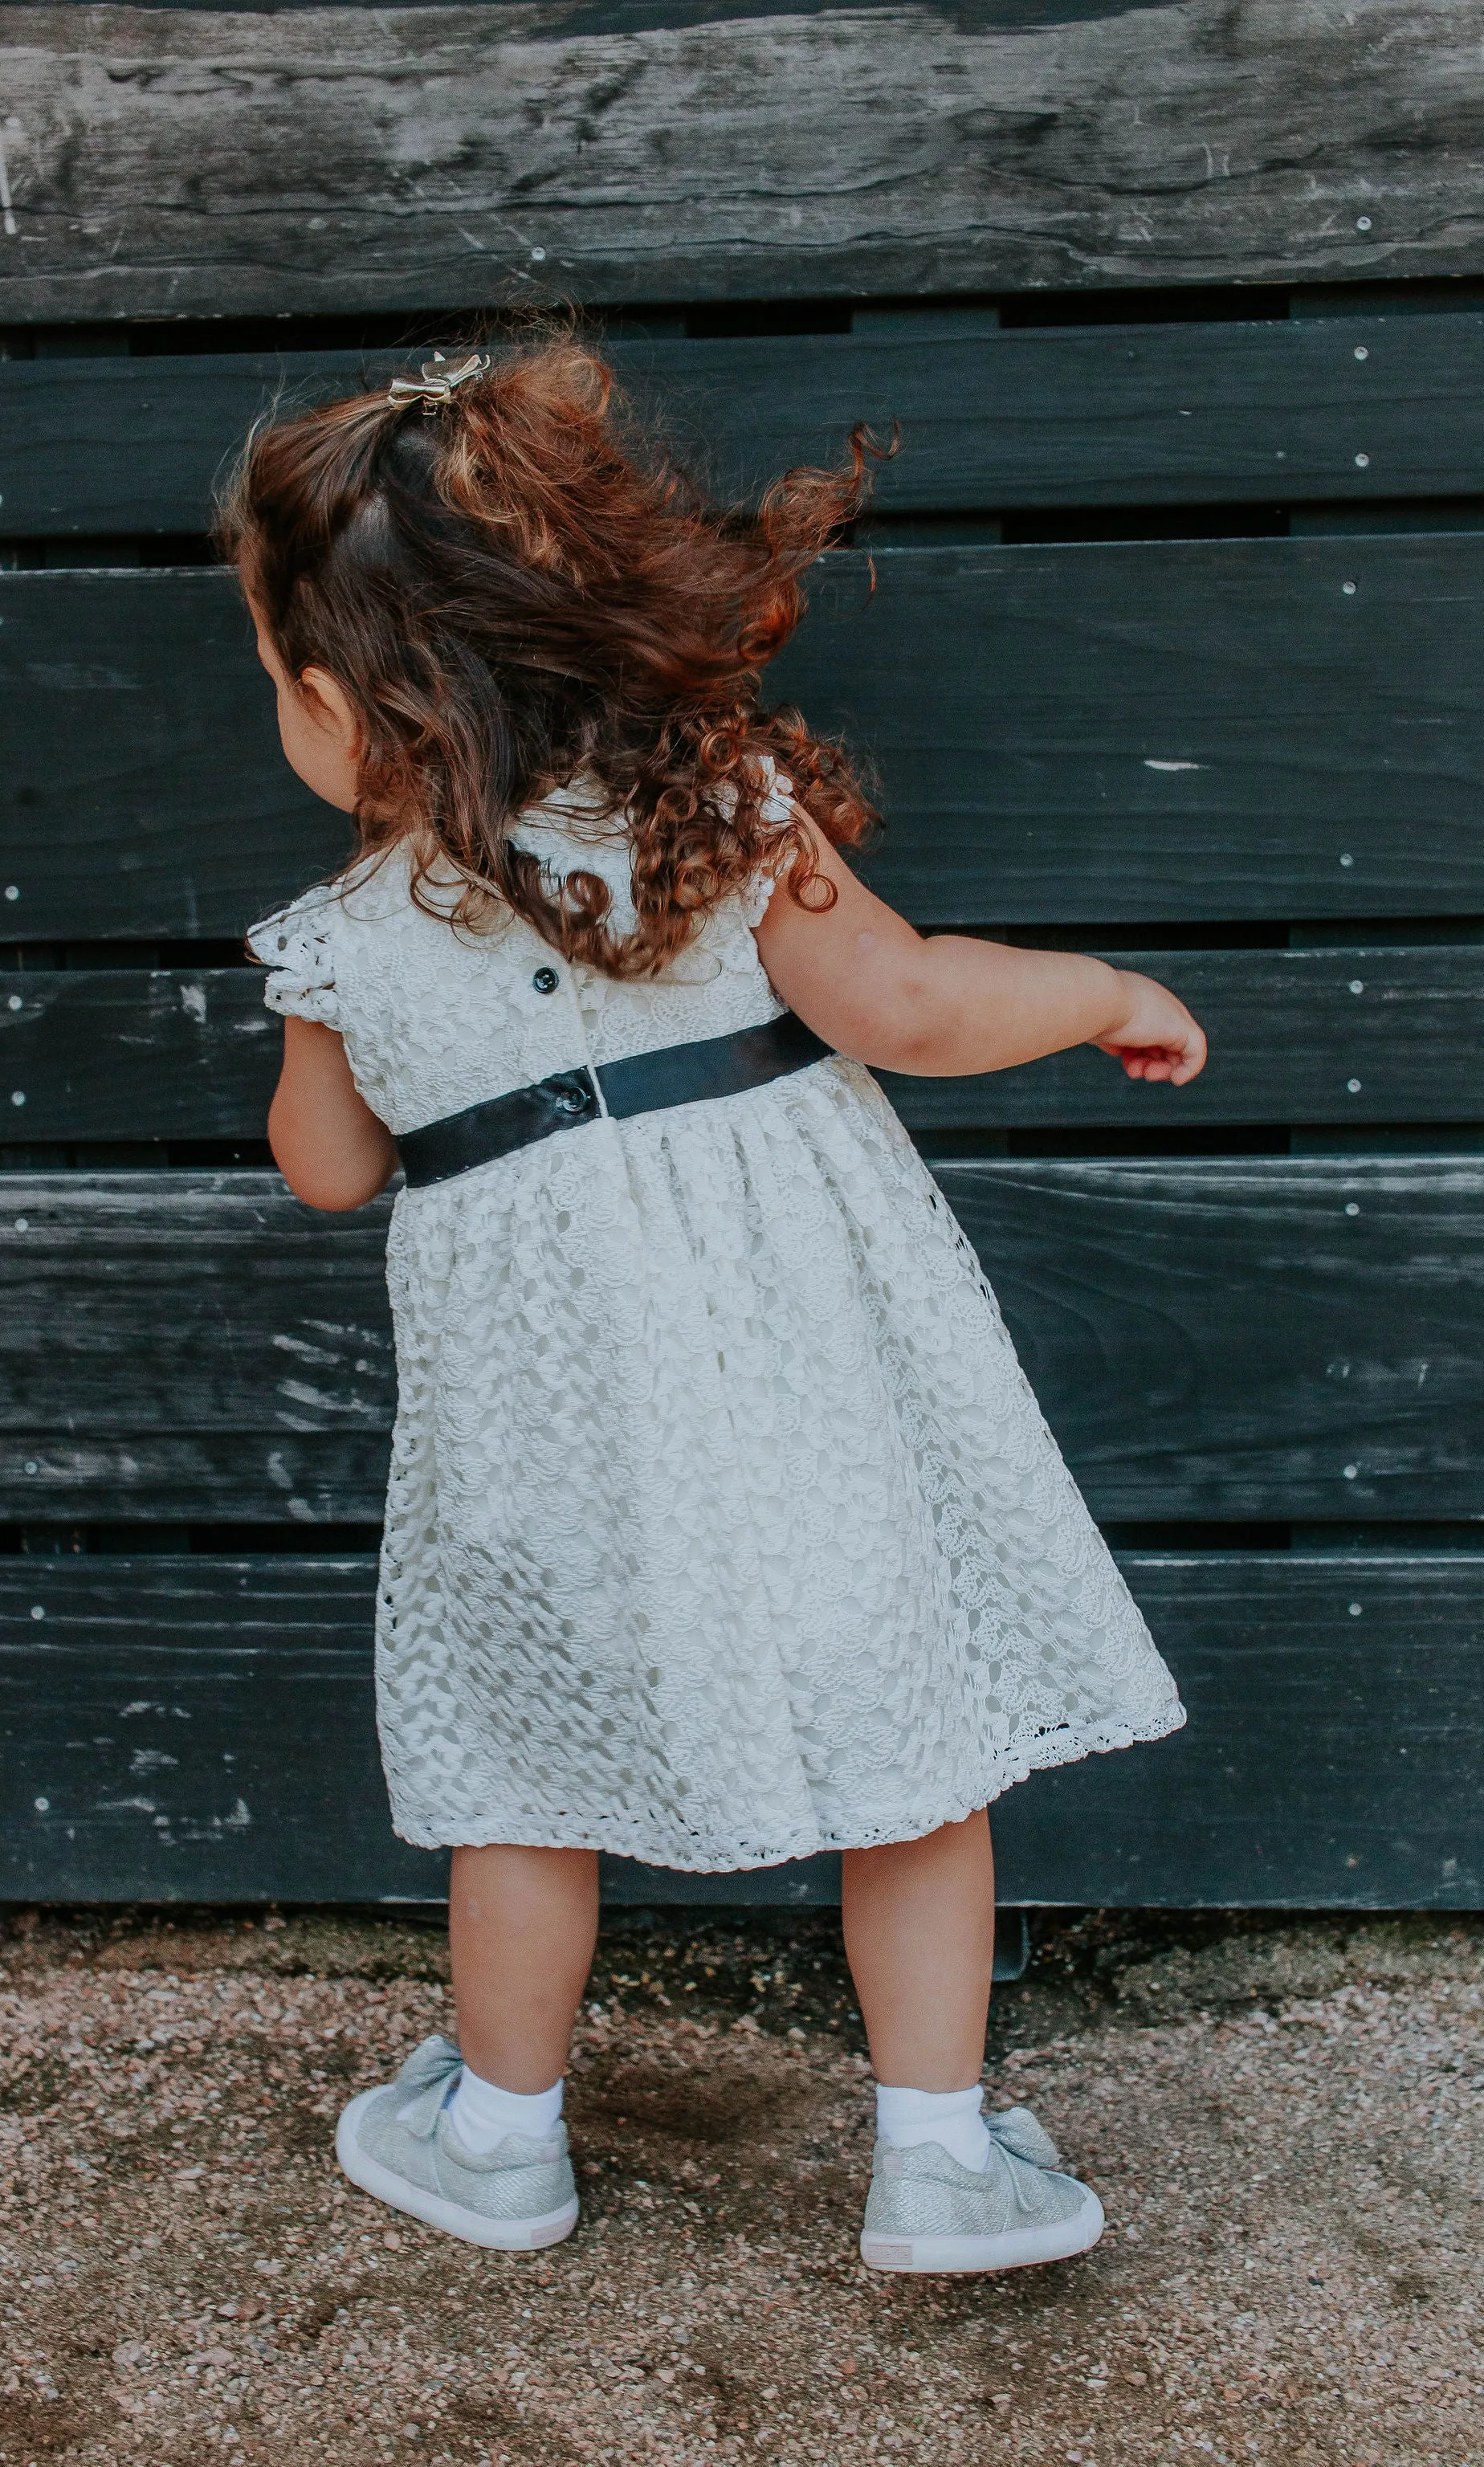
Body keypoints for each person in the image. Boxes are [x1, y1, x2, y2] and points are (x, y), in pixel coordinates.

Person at [226, 335, 1199, 2275]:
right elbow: (914, 1014)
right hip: (812, 1374)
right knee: (908, 1741)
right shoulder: (718, 815)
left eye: (272, 679)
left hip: (545, 1423)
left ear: (343, 707)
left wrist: (361, 1002)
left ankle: (499, 2135)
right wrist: (1097, 989)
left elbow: (326, 1169)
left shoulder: (349, 938)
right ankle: (940, 2155)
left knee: (522, 1763)